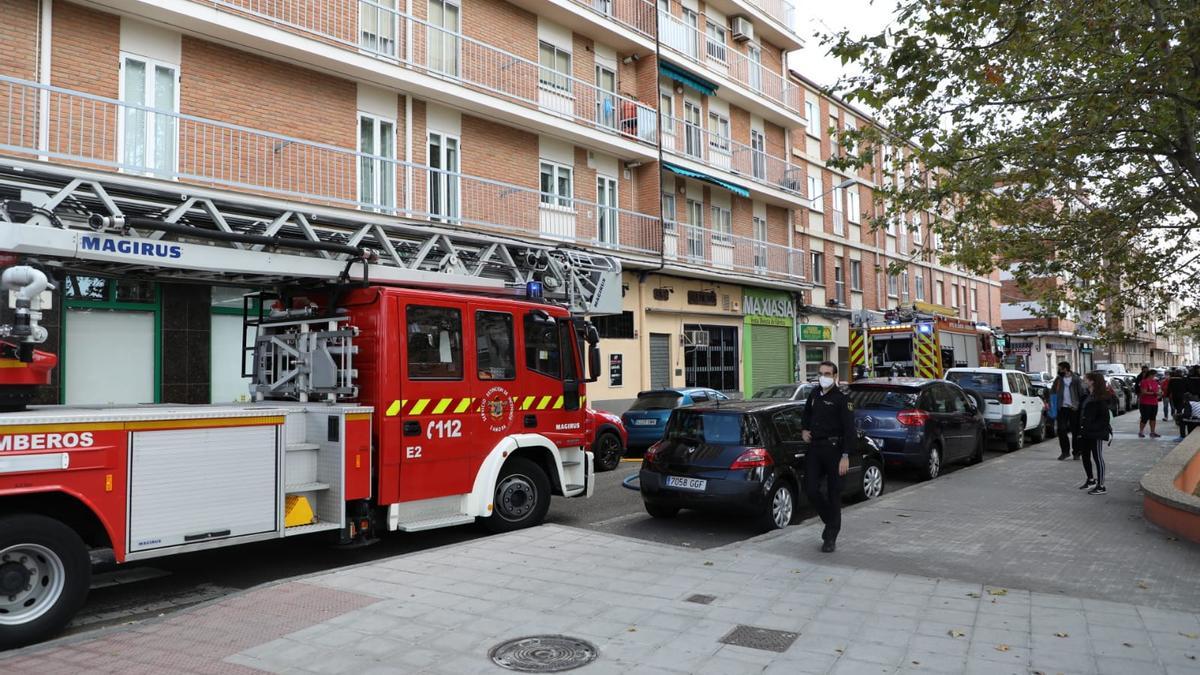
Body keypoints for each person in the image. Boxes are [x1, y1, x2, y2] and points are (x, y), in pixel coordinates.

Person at [801, 360, 856, 553]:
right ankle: (830, 521)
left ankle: (830, 538)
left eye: (827, 374)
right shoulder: (814, 394)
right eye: (821, 373)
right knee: (811, 489)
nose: (823, 377)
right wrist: (804, 430)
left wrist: (846, 455)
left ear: (834, 377)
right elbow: (806, 413)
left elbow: (850, 430)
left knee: (834, 494)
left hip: (835, 450)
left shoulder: (842, 399)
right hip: (816, 447)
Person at [1078, 372, 1112, 495]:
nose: (1084, 381)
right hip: (1085, 431)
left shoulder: (1101, 398)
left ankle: (1101, 485)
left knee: (1098, 457)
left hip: (1095, 433)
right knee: (1085, 456)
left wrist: (1092, 428)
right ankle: (1091, 480)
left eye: (1085, 379)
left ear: (1092, 381)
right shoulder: (1088, 395)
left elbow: (1104, 419)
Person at [1051, 361, 1085, 461]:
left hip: (1074, 409)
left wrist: (1078, 406)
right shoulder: (1058, 379)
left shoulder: (1076, 379)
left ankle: (1077, 452)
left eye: (1060, 368)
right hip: (1062, 408)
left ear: (1065, 369)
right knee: (1061, 430)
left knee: (1076, 431)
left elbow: (1081, 394)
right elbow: (1052, 391)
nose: (1059, 370)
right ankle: (1065, 452)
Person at [1137, 370, 1161, 438]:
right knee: (1144, 418)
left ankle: (1152, 432)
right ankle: (1141, 432)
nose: (1154, 376)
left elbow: (1157, 390)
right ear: (1150, 375)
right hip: (1145, 402)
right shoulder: (1144, 382)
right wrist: (1154, 393)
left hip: (1154, 402)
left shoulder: (1155, 382)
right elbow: (1143, 392)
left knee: (1153, 418)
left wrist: (1159, 394)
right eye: (1153, 375)